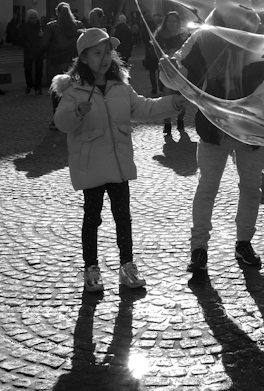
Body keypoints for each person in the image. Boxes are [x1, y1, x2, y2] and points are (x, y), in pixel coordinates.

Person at [50, 28, 186, 292]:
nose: (104, 58)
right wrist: (77, 112)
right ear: (84, 58)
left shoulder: (120, 86)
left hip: (118, 165)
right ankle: (91, 269)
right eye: (97, 53)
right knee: (92, 219)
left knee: (123, 218)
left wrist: (173, 103)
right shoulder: (74, 89)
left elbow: (144, 108)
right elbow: (62, 122)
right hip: (91, 166)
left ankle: (127, 266)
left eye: (107, 53)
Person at [170, 0, 264, 273]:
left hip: (251, 127)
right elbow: (180, 71)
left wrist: (256, 101)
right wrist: (170, 70)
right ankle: (199, 249)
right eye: (229, 4)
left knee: (251, 189)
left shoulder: (263, 36)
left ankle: (243, 243)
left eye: (242, 2)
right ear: (218, 5)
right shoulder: (203, 37)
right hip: (214, 127)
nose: (237, 8)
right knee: (207, 188)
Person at [40, 2, 85, 129]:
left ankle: (57, 120)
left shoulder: (52, 26)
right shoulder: (78, 25)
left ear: (57, 12)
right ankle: (76, 115)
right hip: (74, 61)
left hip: (57, 61)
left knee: (57, 91)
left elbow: (44, 45)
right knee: (75, 89)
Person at [144, 11, 189, 134]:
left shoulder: (183, 35)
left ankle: (180, 121)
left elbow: (189, 52)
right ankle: (167, 125)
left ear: (178, 22)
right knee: (167, 99)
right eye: (169, 21)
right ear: (165, 22)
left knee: (181, 98)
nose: (171, 24)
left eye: (174, 21)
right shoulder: (159, 35)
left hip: (180, 71)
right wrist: (162, 53)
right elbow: (153, 51)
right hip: (165, 71)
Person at [18, 9, 45, 95]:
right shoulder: (24, 27)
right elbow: (20, 38)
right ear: (29, 18)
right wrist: (27, 45)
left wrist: (42, 37)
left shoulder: (41, 26)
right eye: (32, 18)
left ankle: (37, 87)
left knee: (39, 70)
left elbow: (46, 38)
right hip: (29, 50)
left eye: (36, 18)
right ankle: (29, 85)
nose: (34, 20)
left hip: (38, 50)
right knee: (27, 69)